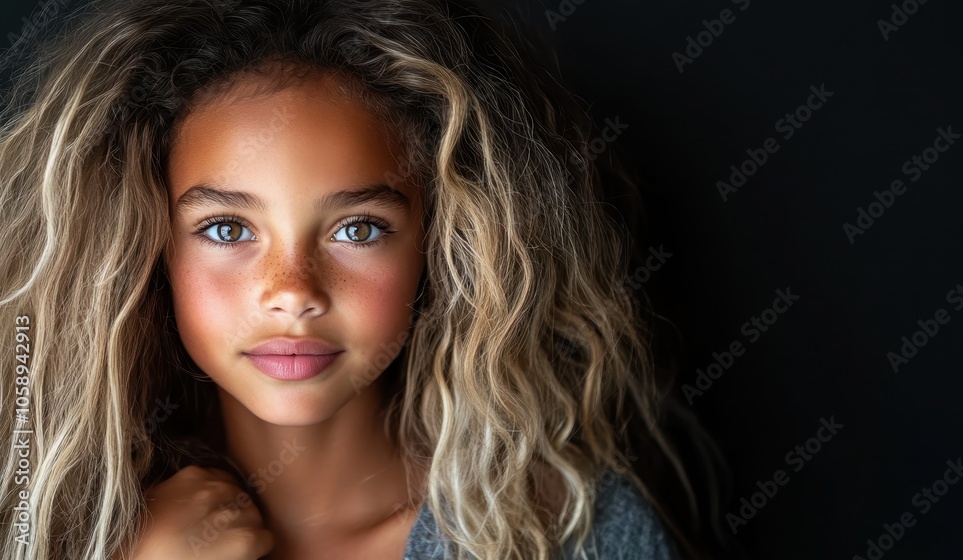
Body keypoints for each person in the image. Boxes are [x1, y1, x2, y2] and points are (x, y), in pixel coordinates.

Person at [0, 0, 720, 558]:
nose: (293, 289)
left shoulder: (569, 531)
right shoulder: (51, 528)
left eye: (358, 228)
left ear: (443, 246)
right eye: (226, 229)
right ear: (150, 248)